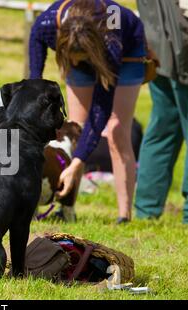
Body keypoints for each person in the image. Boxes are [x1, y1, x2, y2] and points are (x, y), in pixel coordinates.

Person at [29, 0, 147, 224]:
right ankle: (66, 209)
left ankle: (124, 215)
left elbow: (98, 115)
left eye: (79, 59)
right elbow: (35, 79)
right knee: (75, 127)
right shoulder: (45, 24)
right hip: (80, 43)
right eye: (71, 58)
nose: (74, 62)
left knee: (116, 130)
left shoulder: (111, 44)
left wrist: (75, 164)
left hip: (127, 52)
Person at [135, 0, 188, 225]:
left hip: (156, 46)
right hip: (182, 46)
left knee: (162, 128)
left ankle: (146, 210)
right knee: (163, 127)